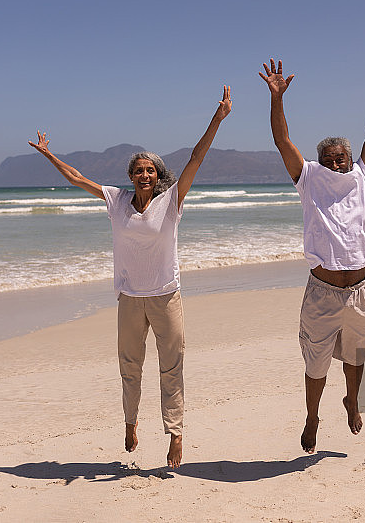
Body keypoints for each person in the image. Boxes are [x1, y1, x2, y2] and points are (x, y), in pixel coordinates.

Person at [28, 86, 232, 468]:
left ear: (158, 176)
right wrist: (48, 154)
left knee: (171, 367)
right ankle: (130, 423)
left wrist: (217, 119)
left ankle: (175, 434)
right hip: (129, 299)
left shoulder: (171, 201)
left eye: (150, 170)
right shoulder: (117, 200)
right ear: (130, 176)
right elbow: (76, 178)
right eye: (138, 170)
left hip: (166, 296)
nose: (144, 174)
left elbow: (196, 157)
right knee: (129, 365)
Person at [259, 52, 365, 453]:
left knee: (357, 354)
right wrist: (277, 98)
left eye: (340, 158)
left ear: (349, 160)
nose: (334, 164)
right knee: (316, 361)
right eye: (327, 160)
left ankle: (353, 400)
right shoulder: (308, 178)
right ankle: (312, 417)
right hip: (322, 290)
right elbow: (281, 140)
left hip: (362, 288)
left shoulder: (363, 176)